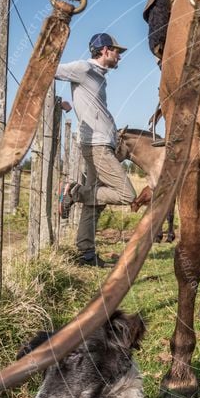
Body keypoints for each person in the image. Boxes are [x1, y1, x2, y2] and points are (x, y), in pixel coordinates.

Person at [56, 33, 136, 267]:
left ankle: (86, 255)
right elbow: (47, 69)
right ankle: (74, 192)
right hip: (96, 144)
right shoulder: (83, 68)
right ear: (104, 50)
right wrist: (57, 99)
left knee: (96, 201)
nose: (119, 56)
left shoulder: (99, 76)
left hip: (101, 142)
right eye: (117, 51)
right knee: (127, 194)